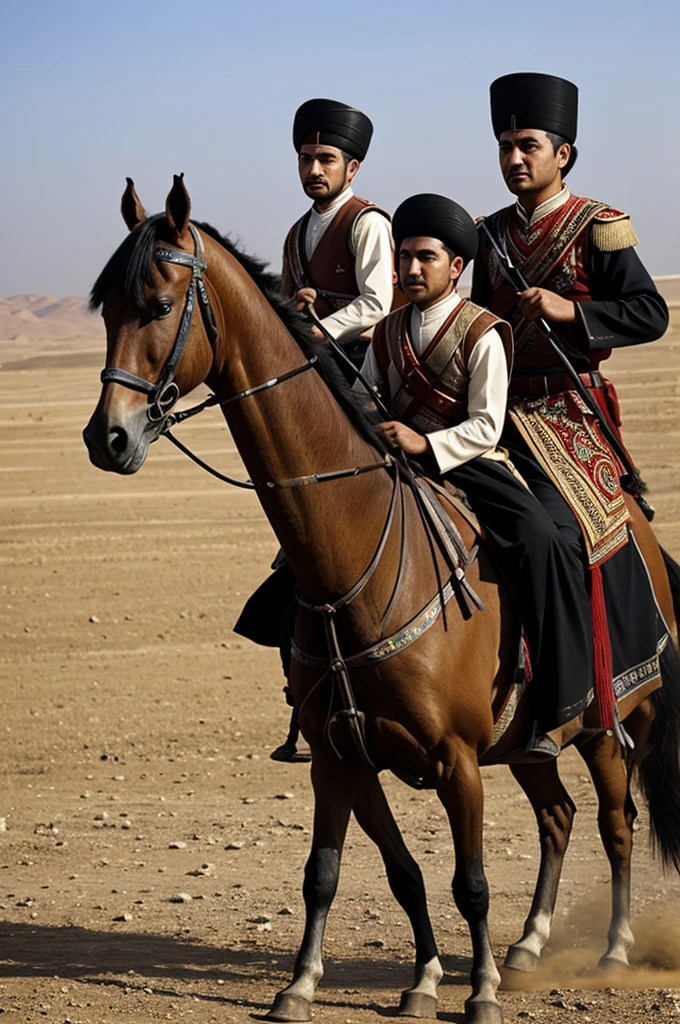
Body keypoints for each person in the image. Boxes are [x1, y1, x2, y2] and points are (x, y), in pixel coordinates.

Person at [360, 193, 600, 757]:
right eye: (405, 257)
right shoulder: (387, 331)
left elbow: (487, 426)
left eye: (426, 258)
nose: (411, 269)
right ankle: (312, 694)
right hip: (397, 465)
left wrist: (425, 441)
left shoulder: (484, 330)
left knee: (541, 540)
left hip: (468, 465)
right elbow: (364, 396)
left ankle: (561, 700)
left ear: (456, 267)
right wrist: (374, 422)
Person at [472, 72, 670, 749]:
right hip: (494, 410)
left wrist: (573, 311)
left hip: (568, 415)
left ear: (564, 155)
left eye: (528, 144)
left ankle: (579, 685)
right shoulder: (486, 235)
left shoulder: (600, 226)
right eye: (504, 145)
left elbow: (650, 314)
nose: (513, 158)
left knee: (561, 532)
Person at [281, 98, 396, 368]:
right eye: (305, 159)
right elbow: (285, 301)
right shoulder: (295, 234)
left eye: (326, 160)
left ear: (352, 168)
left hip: (361, 362)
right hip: (309, 359)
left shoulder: (366, 222)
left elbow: (376, 303)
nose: (314, 170)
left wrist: (322, 329)